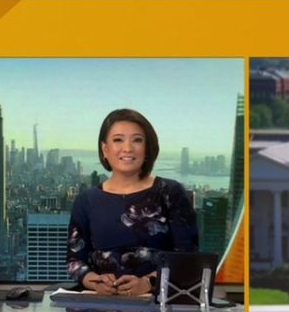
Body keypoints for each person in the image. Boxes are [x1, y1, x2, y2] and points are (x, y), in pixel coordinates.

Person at [67, 108, 198, 296]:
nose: (127, 148)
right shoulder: (86, 200)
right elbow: (74, 261)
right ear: (105, 150)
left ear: (147, 149)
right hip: (103, 305)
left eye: (137, 140)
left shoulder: (171, 193)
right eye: (118, 140)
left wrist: (148, 283)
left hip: (158, 302)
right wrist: (96, 283)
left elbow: (188, 258)